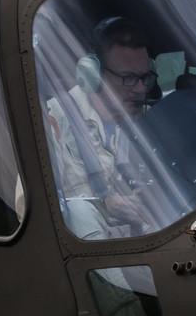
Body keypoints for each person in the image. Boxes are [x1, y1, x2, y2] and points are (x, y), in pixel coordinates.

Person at [45, 15, 167, 240]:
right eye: (129, 78)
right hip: (86, 251)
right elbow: (36, 206)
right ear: (92, 74)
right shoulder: (55, 118)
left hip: (144, 242)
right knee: (80, 213)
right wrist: (105, 205)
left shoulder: (151, 122)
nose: (140, 89)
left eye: (145, 77)